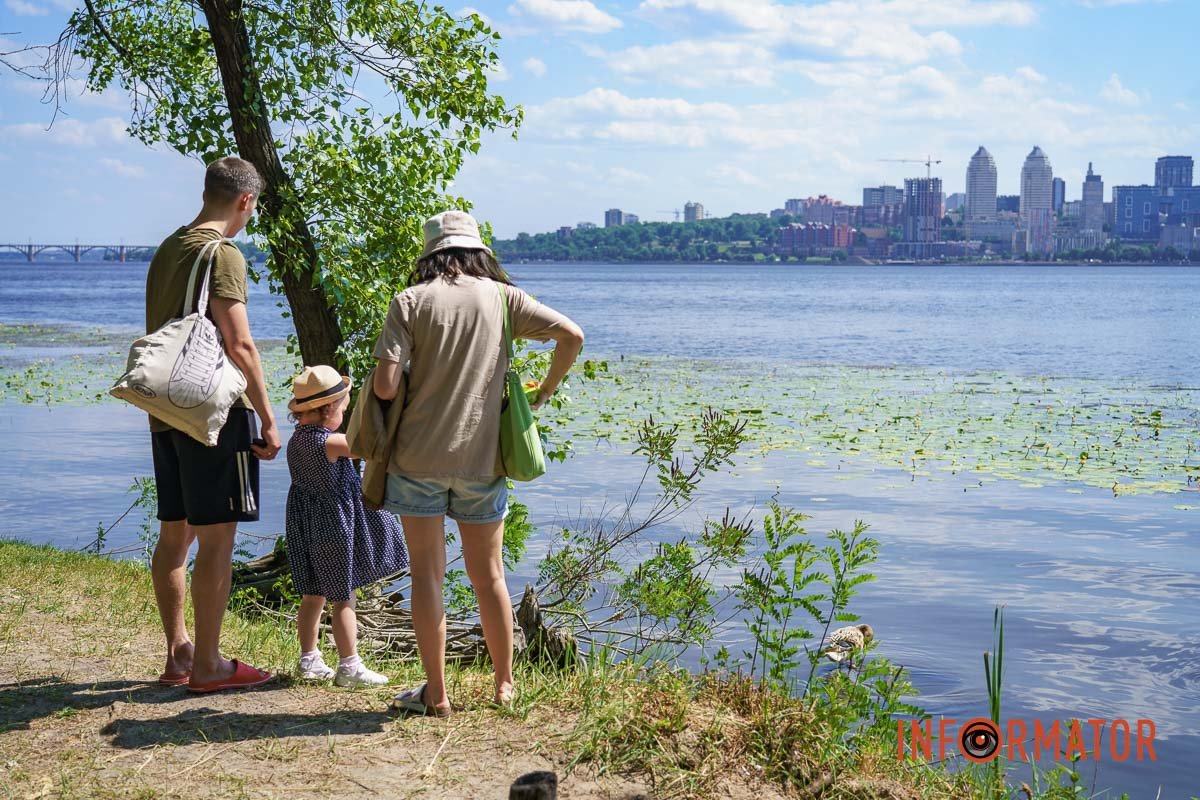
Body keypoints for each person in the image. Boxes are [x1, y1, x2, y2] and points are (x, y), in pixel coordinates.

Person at [374, 210, 584, 716]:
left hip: (416, 459)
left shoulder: (409, 301)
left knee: (427, 575)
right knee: (489, 574)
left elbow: (383, 387)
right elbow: (571, 336)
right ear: (477, 252)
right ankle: (504, 685)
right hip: (482, 461)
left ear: (430, 254)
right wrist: (544, 393)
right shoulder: (504, 298)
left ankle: (438, 695)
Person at [146, 156, 279, 693]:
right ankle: (209, 665)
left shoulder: (168, 248)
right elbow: (240, 344)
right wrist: (268, 418)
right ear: (245, 200)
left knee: (175, 533)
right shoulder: (222, 254)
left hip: (166, 409)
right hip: (214, 415)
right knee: (217, 540)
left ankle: (179, 652)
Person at [284, 365, 409, 687]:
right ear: (328, 410)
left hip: (306, 526)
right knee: (344, 596)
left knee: (313, 595)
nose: (343, 414)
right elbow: (368, 449)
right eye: (342, 408)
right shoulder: (329, 443)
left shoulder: (297, 440)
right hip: (333, 528)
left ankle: (309, 659)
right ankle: (349, 665)